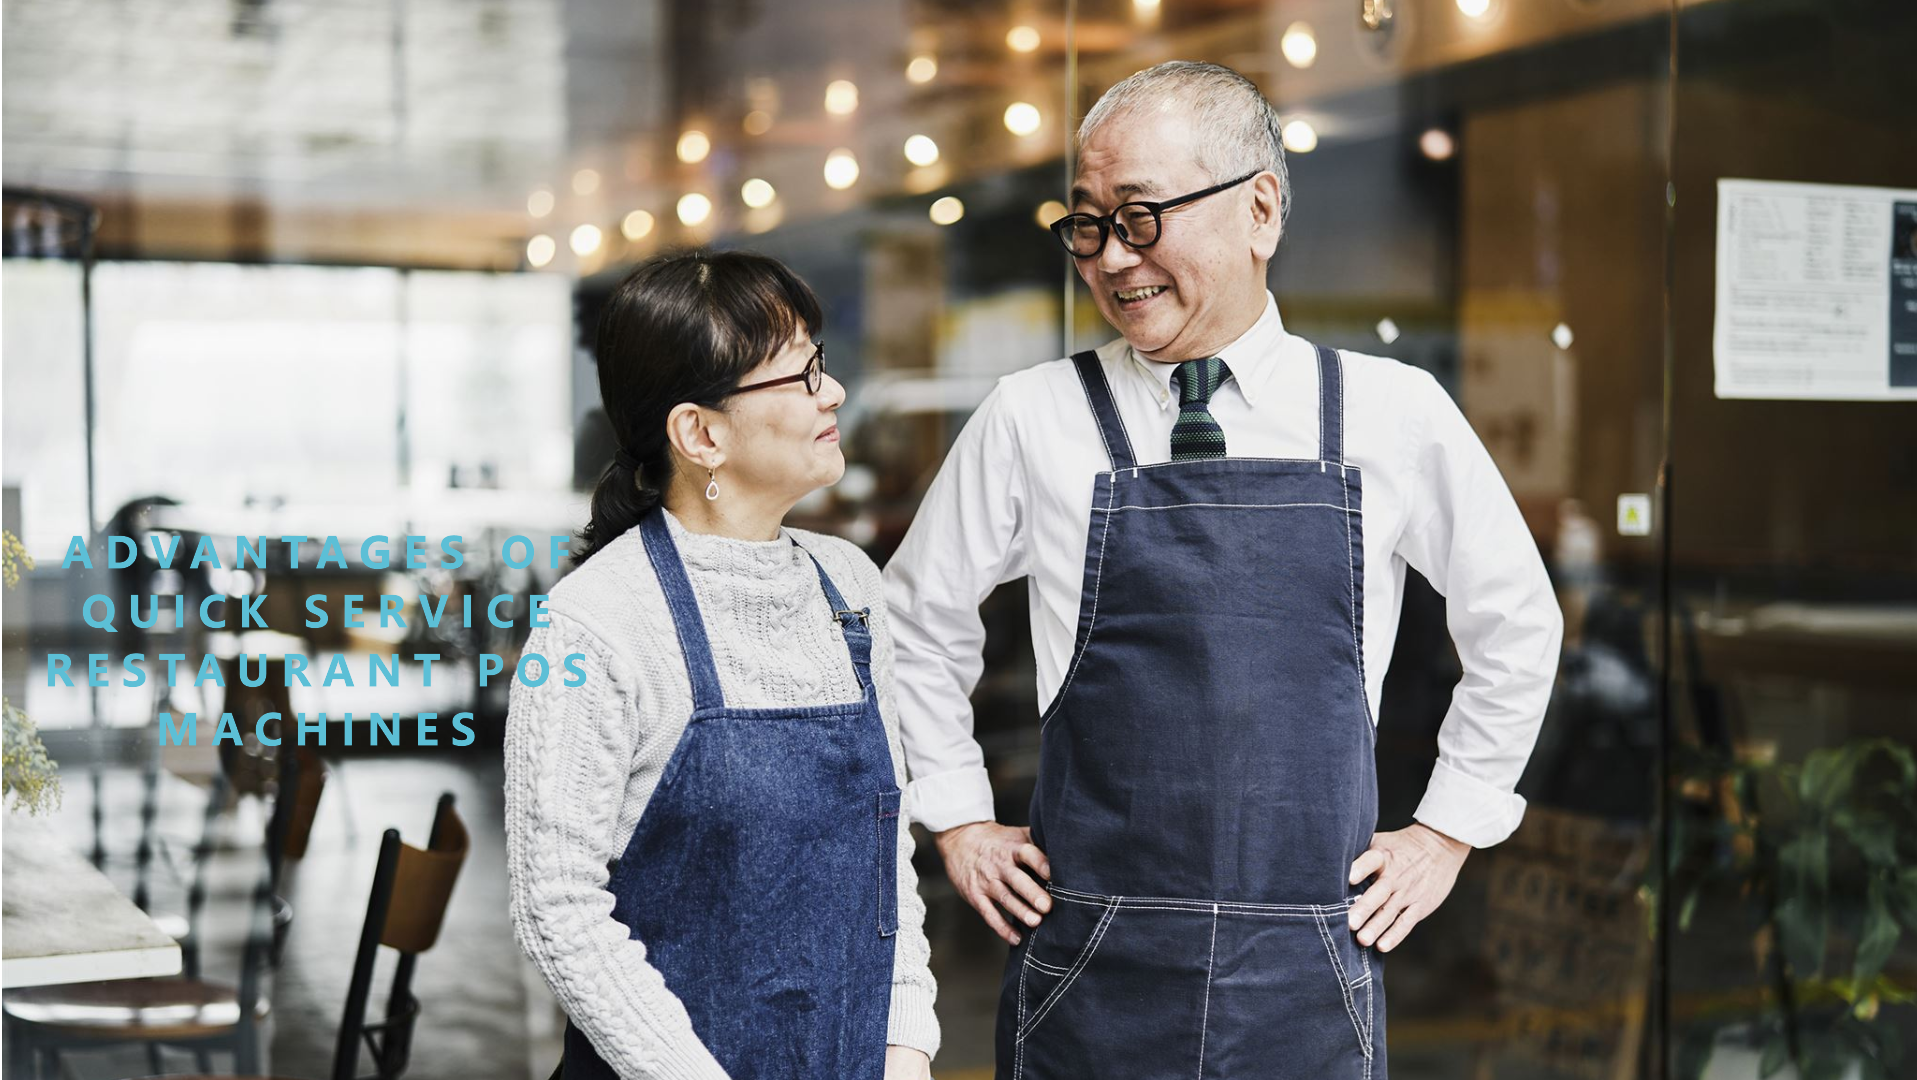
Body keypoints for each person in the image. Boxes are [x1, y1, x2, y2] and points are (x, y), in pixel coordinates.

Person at [884, 61, 1563, 1078]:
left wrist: (1447, 831)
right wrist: (959, 812)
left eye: (1141, 217)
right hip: (1093, 967)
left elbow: (1516, 624)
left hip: (1309, 973)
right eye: (1087, 224)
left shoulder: (1392, 412)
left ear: (1259, 210)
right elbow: (913, 625)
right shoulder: (1034, 416)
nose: (1113, 259)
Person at [506, 250, 938, 1080]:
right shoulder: (593, 624)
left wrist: (906, 1043)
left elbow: (887, 855)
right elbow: (556, 908)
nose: (834, 391)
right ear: (700, 433)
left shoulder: (848, 585)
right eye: (800, 374)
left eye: (822, 362)